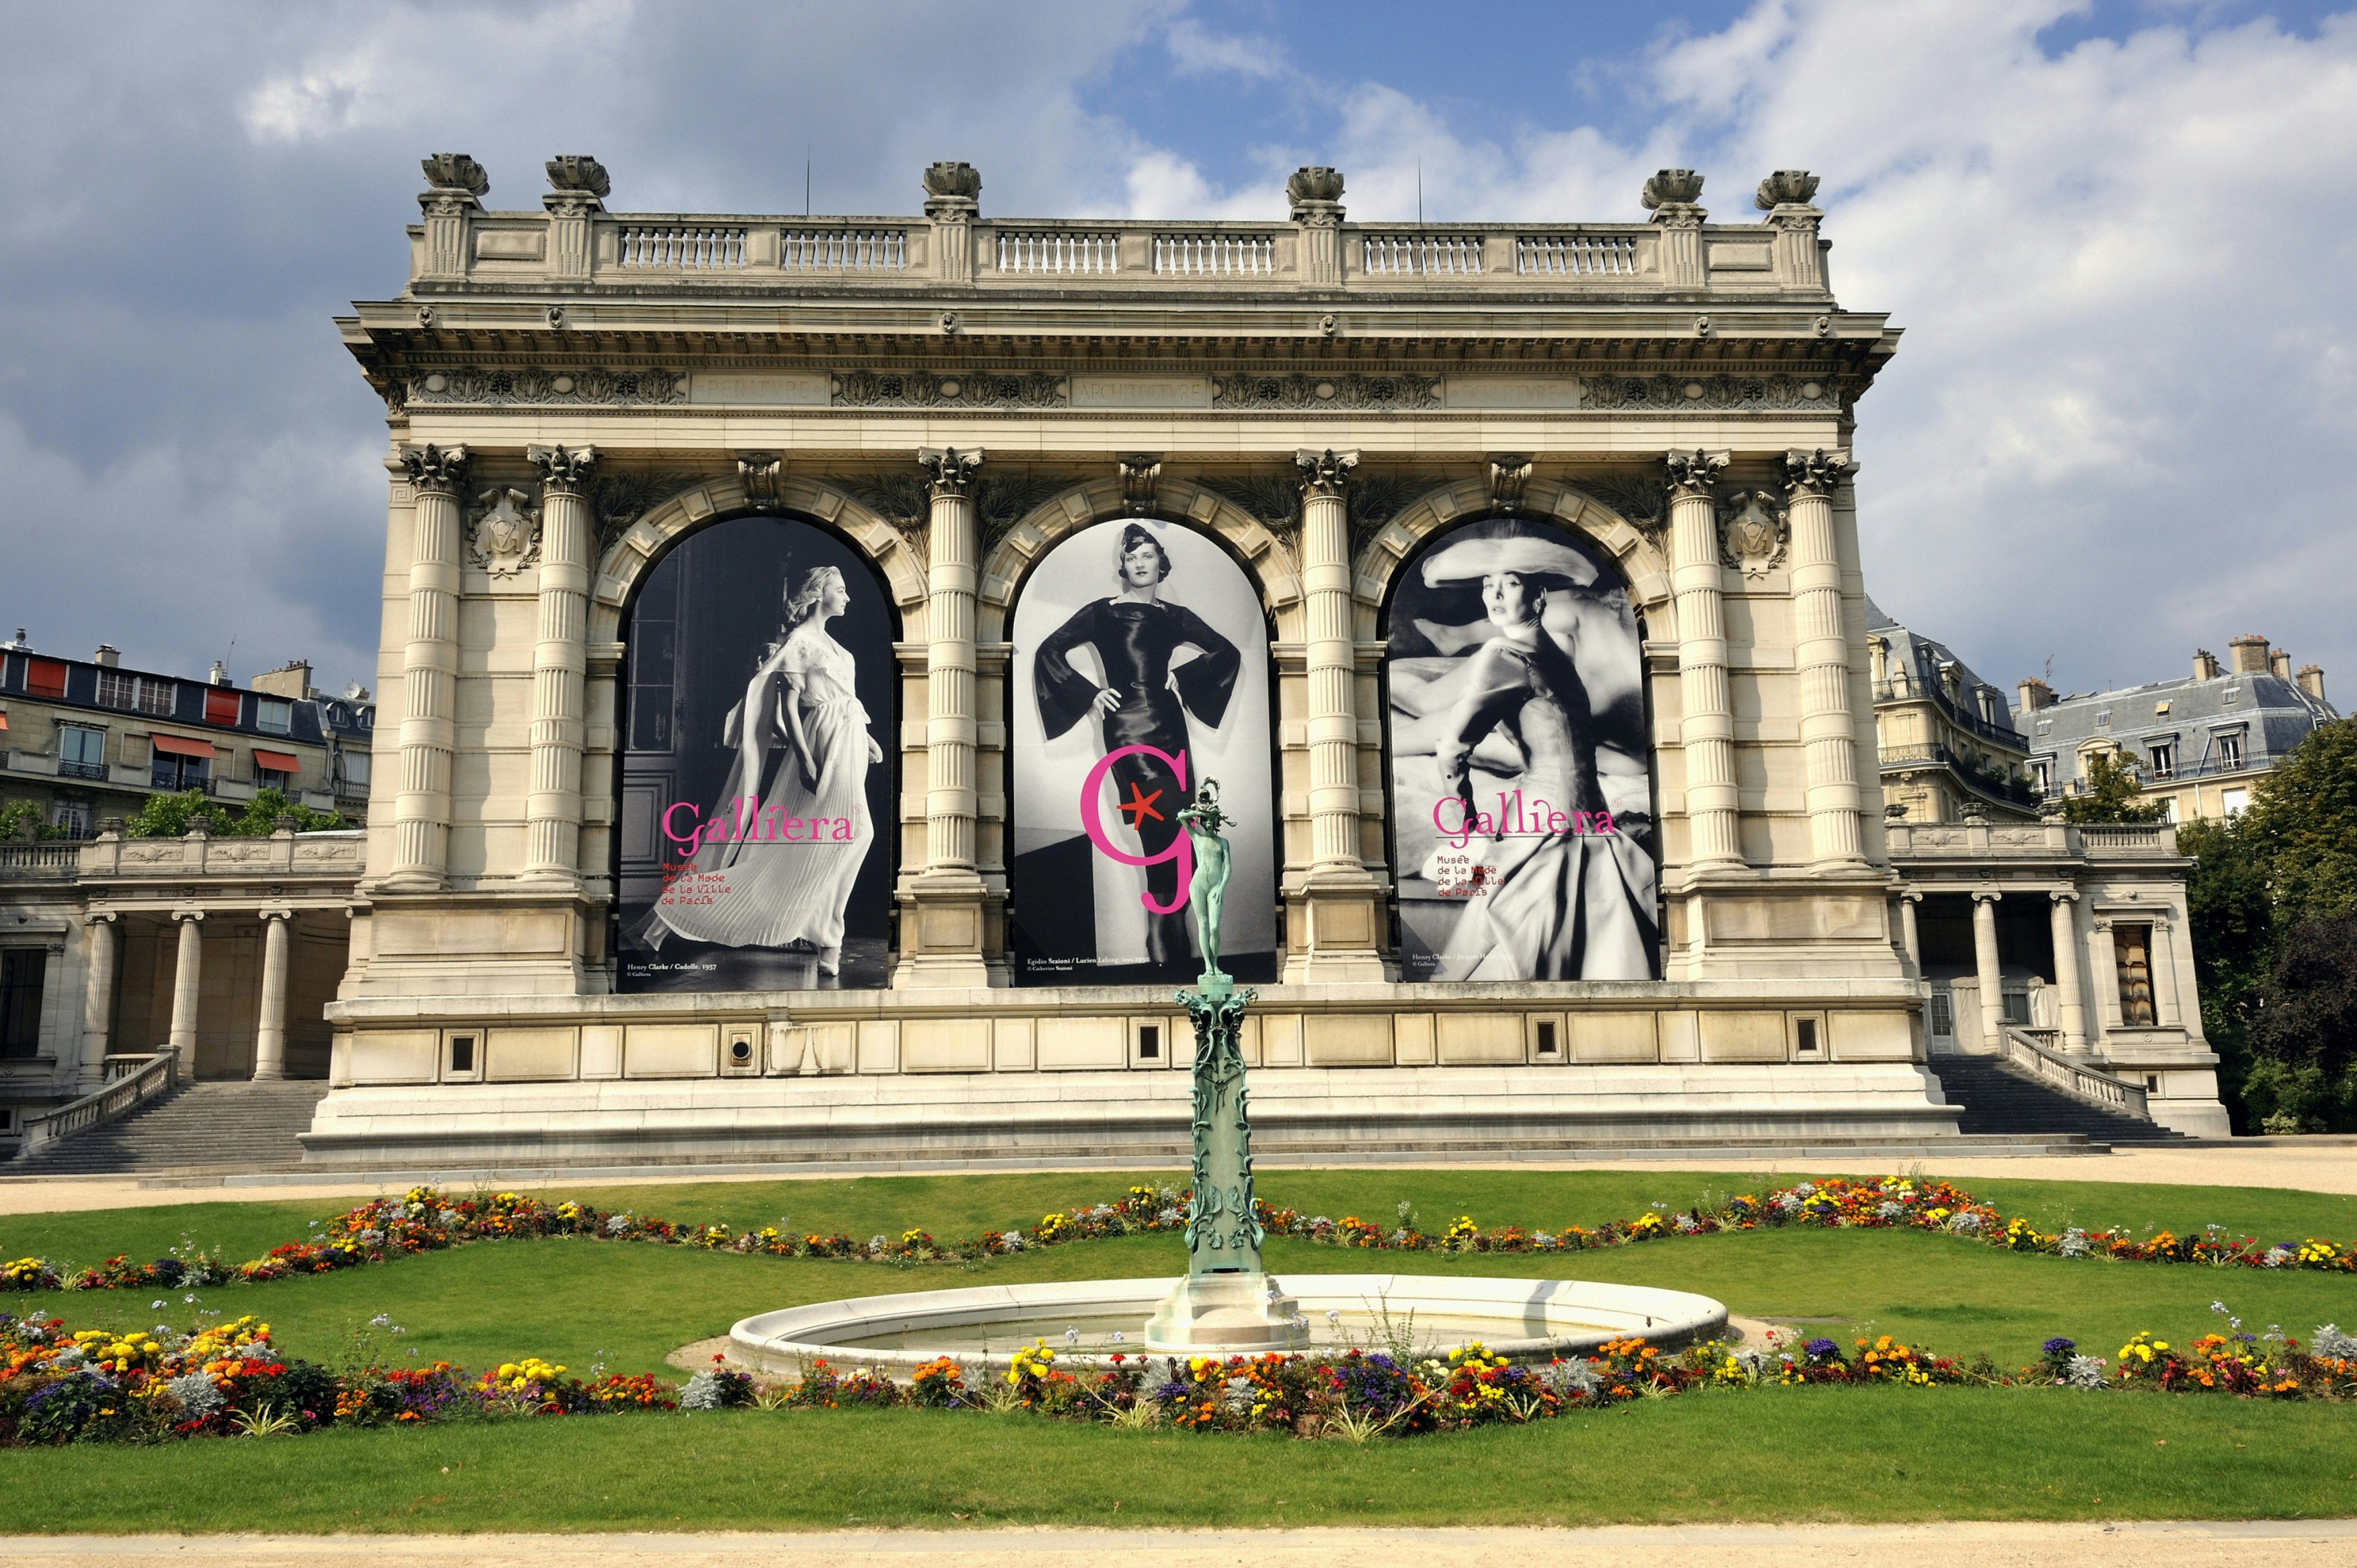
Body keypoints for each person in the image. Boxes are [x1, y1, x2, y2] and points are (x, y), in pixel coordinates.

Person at [1420, 533, 1657, 980]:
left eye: (1508, 583)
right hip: (1547, 830)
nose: (1492, 593)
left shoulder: (1547, 654)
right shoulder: (1504, 654)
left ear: (1539, 594)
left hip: (1579, 826)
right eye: (1487, 584)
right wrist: (1468, 823)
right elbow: (1452, 749)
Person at [642, 564, 880, 977]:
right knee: (851, 834)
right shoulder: (800, 642)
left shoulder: (839, 648)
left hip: (850, 742)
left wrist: (867, 738)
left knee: (830, 842)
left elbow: (847, 700)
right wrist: (805, 759)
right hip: (822, 743)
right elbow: (789, 708)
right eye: (839, 590)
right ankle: (826, 937)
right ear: (819, 594)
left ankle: (822, 934)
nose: (847, 597)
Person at [1034, 523, 1241, 968]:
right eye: (1132, 557)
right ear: (1123, 566)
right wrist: (1090, 694)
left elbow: (1226, 652)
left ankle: (1168, 930)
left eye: (1148, 555)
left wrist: (1183, 677)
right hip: (1125, 726)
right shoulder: (1101, 613)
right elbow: (1048, 651)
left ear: (1159, 563)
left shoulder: (1174, 616)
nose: (1140, 563)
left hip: (1170, 725)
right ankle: (1162, 931)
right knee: (1158, 824)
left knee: (1185, 826)